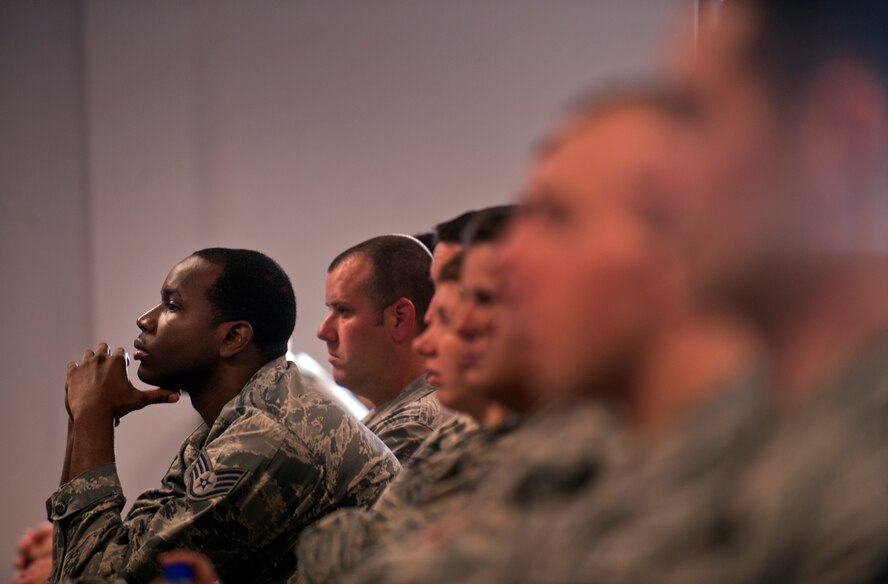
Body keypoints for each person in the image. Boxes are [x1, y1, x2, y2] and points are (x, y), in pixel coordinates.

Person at [344, 90, 759, 584]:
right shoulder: (599, 436)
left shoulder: (767, 468)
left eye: (559, 218)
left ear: (682, 237)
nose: (516, 260)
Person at [48, 248, 399, 583]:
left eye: (172, 306)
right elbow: (91, 564)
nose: (145, 320)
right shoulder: (231, 424)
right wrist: (82, 419)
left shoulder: (269, 437)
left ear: (233, 337)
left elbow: (102, 577)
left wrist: (92, 418)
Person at [295, 212, 521, 584]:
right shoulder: (458, 430)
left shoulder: (428, 422)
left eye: (344, 311)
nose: (323, 331)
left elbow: (371, 563)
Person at [318, 235, 454, 462]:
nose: (324, 331)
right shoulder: (394, 413)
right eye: (329, 310)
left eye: (343, 311)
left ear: (399, 319)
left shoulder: (412, 429)